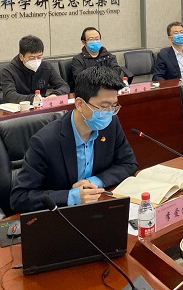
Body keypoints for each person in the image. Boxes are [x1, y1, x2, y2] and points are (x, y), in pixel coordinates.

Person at [10, 66, 138, 213]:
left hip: (98, 206)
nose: (109, 113)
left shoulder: (111, 124)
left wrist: (94, 181)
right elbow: (19, 197)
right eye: (104, 107)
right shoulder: (45, 141)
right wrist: (71, 196)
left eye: (113, 106)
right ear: (80, 104)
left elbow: (129, 163)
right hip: (62, 214)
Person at [0, 35, 70, 104]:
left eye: (39, 57)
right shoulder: (8, 71)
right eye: (31, 58)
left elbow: (64, 86)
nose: (36, 61)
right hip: (19, 108)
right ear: (21, 57)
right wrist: (33, 99)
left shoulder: (46, 67)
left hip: (41, 107)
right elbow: (9, 95)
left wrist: (55, 95)